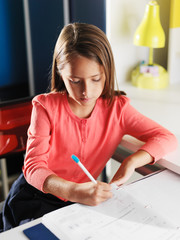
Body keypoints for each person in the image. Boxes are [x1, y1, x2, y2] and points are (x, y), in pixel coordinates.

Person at [1, 23, 178, 231]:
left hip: (79, 201)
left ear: (107, 72)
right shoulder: (45, 107)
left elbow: (167, 138)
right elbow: (33, 168)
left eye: (96, 79)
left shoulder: (117, 109)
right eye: (75, 81)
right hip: (35, 198)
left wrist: (131, 162)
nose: (86, 91)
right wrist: (74, 190)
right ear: (60, 72)